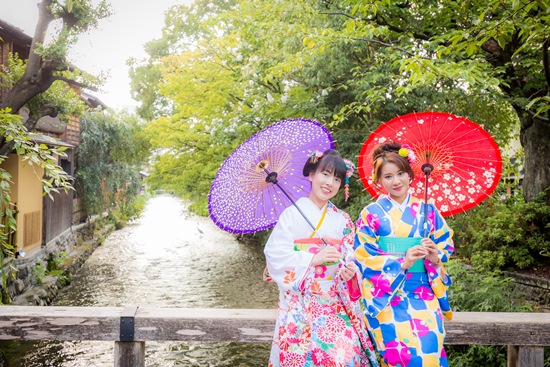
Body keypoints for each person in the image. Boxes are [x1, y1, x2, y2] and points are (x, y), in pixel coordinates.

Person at [264, 149, 378, 367]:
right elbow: (275, 254)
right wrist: (312, 259)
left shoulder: (343, 220)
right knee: (304, 356)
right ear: (311, 175)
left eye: (337, 178)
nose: (330, 183)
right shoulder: (291, 214)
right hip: (300, 300)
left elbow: (351, 257)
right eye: (325, 174)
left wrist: (348, 272)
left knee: (348, 354)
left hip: (335, 300)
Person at [354, 141, 454, 367]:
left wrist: (434, 256)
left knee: (429, 353)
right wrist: (402, 261)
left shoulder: (428, 211)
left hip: (423, 293)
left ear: (410, 175)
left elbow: (446, 242)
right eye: (388, 176)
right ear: (379, 181)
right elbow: (363, 253)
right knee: (398, 357)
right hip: (386, 295)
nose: (396, 181)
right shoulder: (371, 214)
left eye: (400, 173)